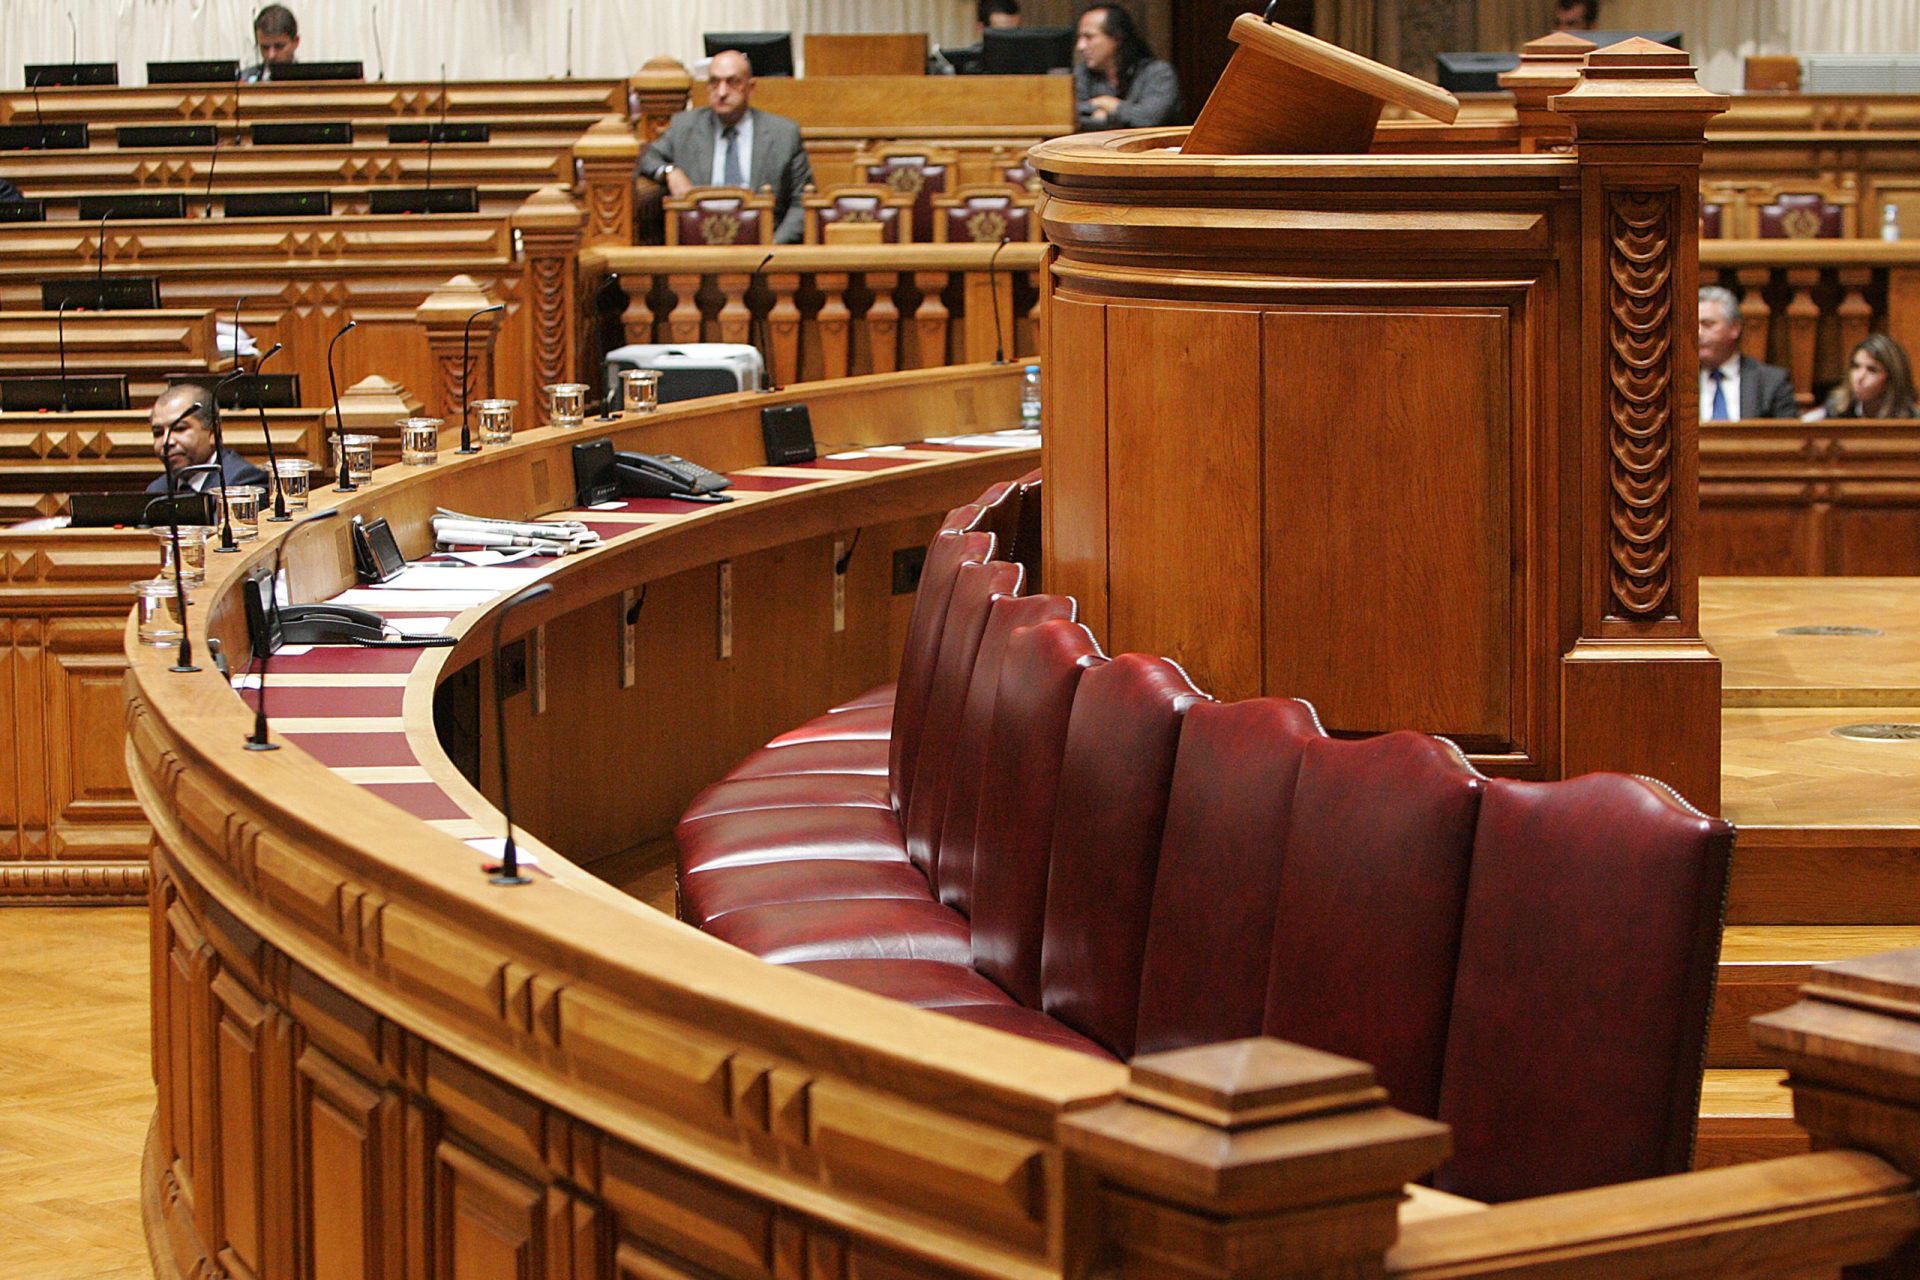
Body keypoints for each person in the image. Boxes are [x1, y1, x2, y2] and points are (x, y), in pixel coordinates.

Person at [638, 50, 813, 245]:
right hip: (699, 250)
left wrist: (773, 246)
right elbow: (646, 156)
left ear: (750, 87)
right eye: (714, 82)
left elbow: (802, 202)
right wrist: (669, 171)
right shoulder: (684, 127)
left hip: (764, 249)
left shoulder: (783, 134)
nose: (721, 92)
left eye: (732, 82)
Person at [146, 384, 269, 495]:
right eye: (158, 433)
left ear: (213, 433)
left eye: (179, 429)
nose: (167, 442)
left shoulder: (243, 482)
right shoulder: (156, 490)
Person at [1074, 5, 1180, 131]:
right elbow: (1070, 116)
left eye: (1089, 37)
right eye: (1080, 38)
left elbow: (1149, 119)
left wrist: (1108, 104)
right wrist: (1118, 115)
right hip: (1097, 148)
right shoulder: (1082, 73)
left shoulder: (1158, 73)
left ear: (1117, 38)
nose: (1080, 46)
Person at [1698, 286, 1798, 420]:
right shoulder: (1675, 382)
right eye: (1692, 325)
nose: (1698, 333)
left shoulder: (1771, 382)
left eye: (1707, 324)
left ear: (1734, 328)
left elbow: (1788, 438)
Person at [1807, 334, 1919, 420]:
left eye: (1872, 370)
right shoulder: (1835, 411)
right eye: (1856, 367)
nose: (1859, 377)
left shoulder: (1911, 420)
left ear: (1892, 378)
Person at [241, 5, 300, 83]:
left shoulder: (314, 81)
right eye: (265, 47)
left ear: (296, 42)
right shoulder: (243, 81)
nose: (271, 55)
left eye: (279, 46)